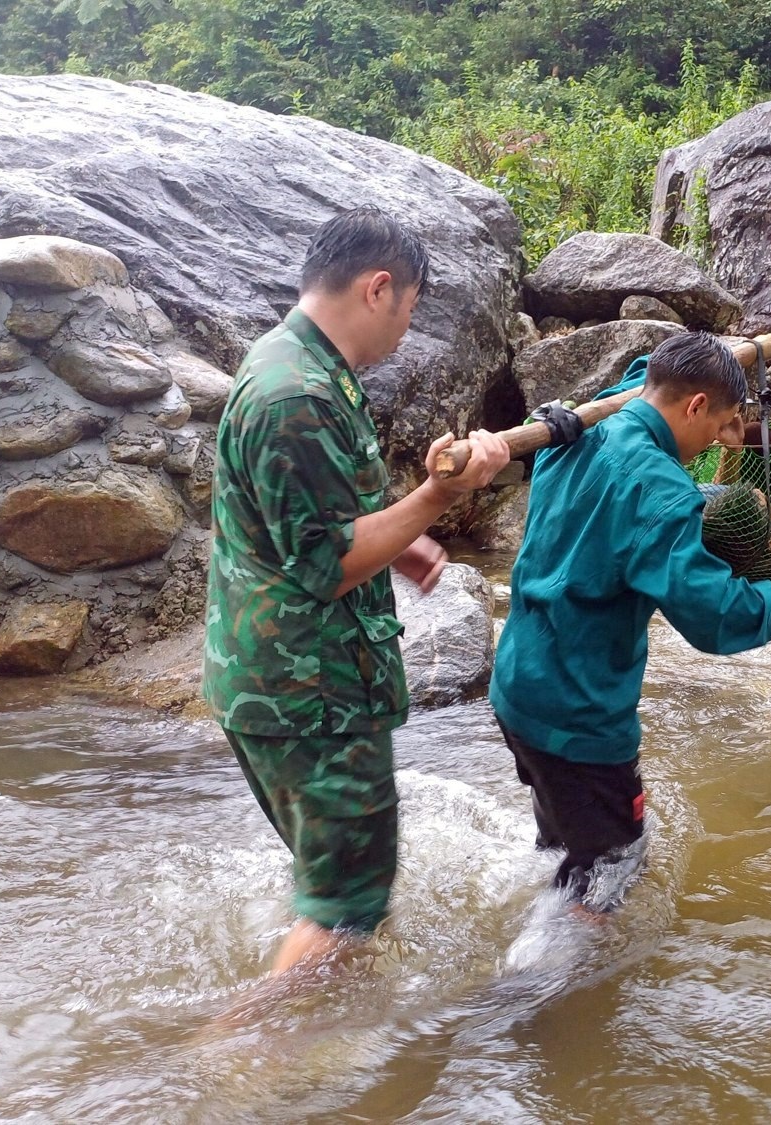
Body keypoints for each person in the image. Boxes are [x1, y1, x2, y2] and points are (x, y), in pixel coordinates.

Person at [202, 206, 510, 978]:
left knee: (332, 891)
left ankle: (302, 1040)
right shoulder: (296, 396)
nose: (406, 329)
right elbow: (326, 561)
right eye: (408, 308)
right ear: (379, 288)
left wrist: (403, 541)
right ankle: (229, 1071)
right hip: (308, 693)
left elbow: (306, 520)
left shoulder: (296, 367)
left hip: (282, 684)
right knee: (346, 910)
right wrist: (437, 500)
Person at [489, 332, 771, 912]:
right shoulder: (660, 491)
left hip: (519, 689)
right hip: (581, 717)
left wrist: (728, 357)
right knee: (613, 872)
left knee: (564, 846)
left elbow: (644, 370)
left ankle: (541, 918)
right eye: (721, 423)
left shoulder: (580, 423)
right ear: (695, 405)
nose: (720, 440)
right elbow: (712, 615)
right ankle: (528, 1000)